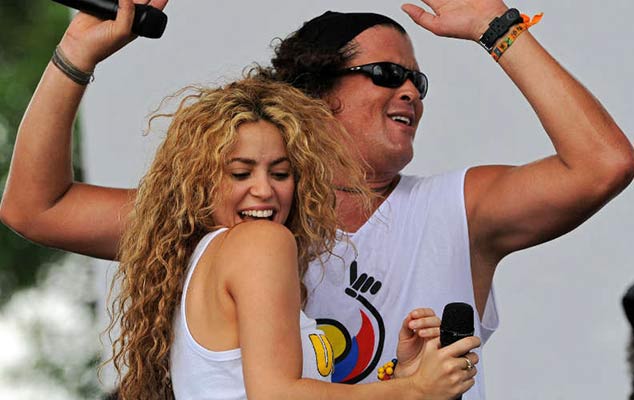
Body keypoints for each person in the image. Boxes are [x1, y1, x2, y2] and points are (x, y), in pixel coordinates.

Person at [1, 0, 633, 398]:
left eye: (419, 79)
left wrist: (499, 30)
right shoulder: (238, 212)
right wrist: (77, 52)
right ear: (315, 96)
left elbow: (605, 163)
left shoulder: (457, 211)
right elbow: (34, 206)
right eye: (388, 74)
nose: (412, 91)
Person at [107, 76, 481, 398]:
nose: (264, 190)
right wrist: (414, 390)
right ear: (199, 184)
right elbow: (276, 395)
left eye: (280, 173)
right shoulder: (260, 242)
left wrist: (400, 378)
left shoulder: (204, 260)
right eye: (241, 173)